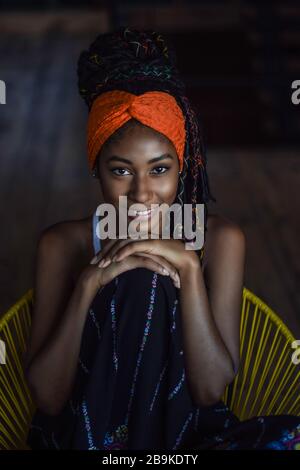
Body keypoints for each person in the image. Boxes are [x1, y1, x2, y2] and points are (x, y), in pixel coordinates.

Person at [24, 27, 300, 450]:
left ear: (182, 166)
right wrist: (88, 284)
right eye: (120, 171)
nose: (141, 194)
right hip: (88, 436)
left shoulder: (218, 239)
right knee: (136, 281)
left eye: (159, 169)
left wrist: (188, 269)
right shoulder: (63, 244)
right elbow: (48, 397)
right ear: (95, 169)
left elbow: (210, 392)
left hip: (186, 439)